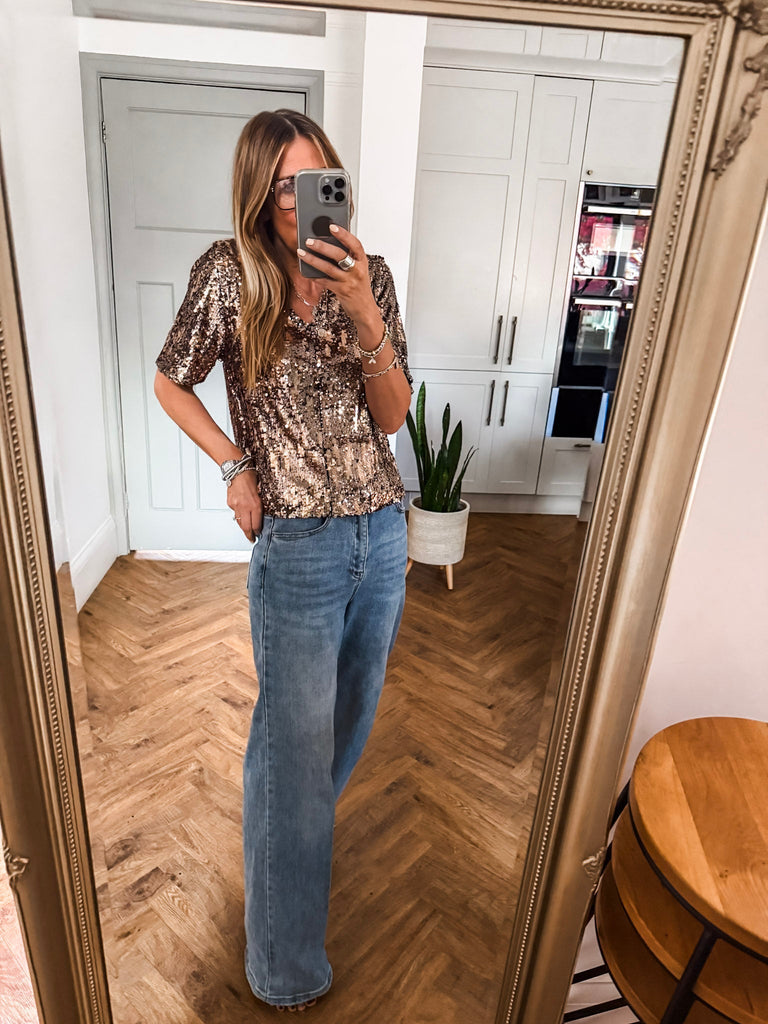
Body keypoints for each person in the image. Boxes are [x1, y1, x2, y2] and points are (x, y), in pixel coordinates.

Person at [154, 109, 413, 1012]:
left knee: (336, 736)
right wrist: (235, 466)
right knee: (294, 755)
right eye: (282, 188)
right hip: (298, 545)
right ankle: (286, 969)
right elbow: (170, 379)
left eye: (314, 181)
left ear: (333, 179)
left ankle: (280, 848)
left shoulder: (372, 276)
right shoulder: (229, 275)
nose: (300, 203)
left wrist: (364, 307)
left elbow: (392, 417)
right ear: (261, 195)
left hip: (382, 534)